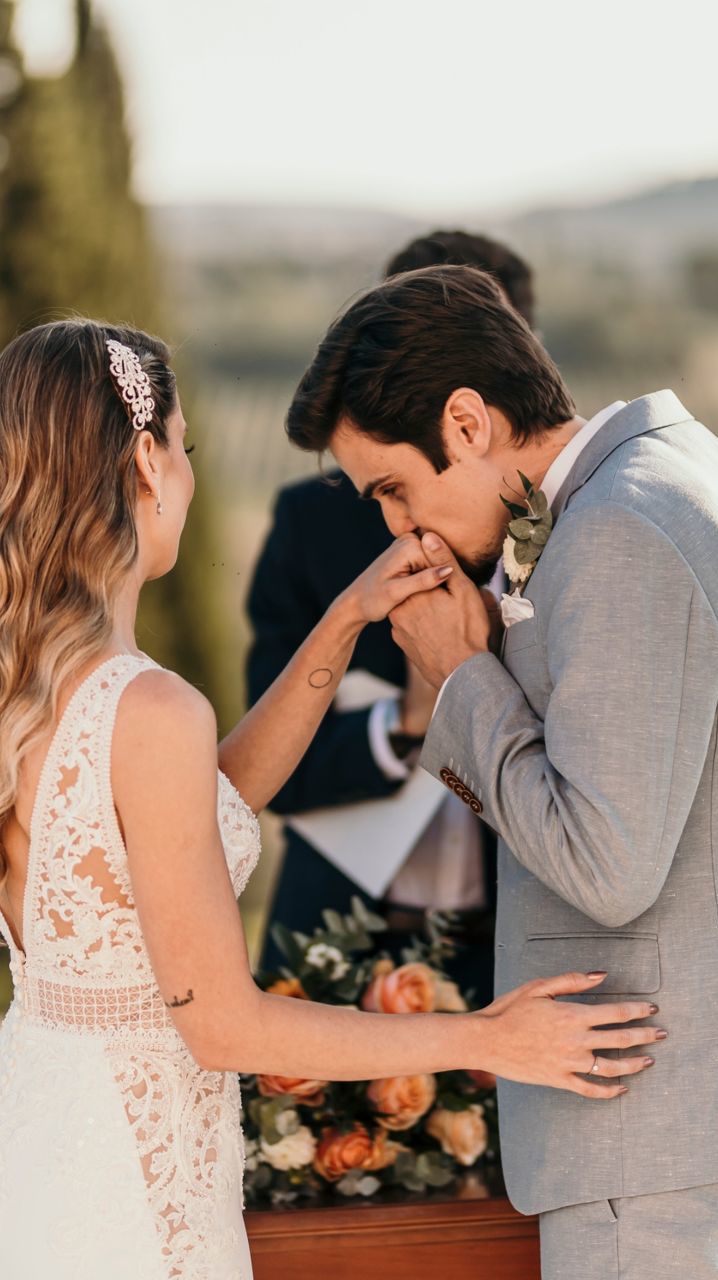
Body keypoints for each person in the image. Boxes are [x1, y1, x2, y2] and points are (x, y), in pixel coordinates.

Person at [0, 318, 662, 1280]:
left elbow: (195, 805)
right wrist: (491, 1037)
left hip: (38, 1145)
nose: (185, 474)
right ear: (146, 461)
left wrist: (345, 619)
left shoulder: (33, 683)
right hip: (130, 1191)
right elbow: (225, 1026)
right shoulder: (147, 708)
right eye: (183, 448)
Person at [285, 266, 718, 1280]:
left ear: (466, 422)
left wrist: (462, 675)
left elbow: (606, 861)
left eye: (392, 487)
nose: (395, 526)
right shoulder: (690, 476)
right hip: (691, 1103)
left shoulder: (620, 533)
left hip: (647, 1111)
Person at [248, 230, 537, 1002]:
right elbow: (260, 766)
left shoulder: (572, 531)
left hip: (513, 945)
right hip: (336, 939)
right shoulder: (312, 527)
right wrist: (402, 726)